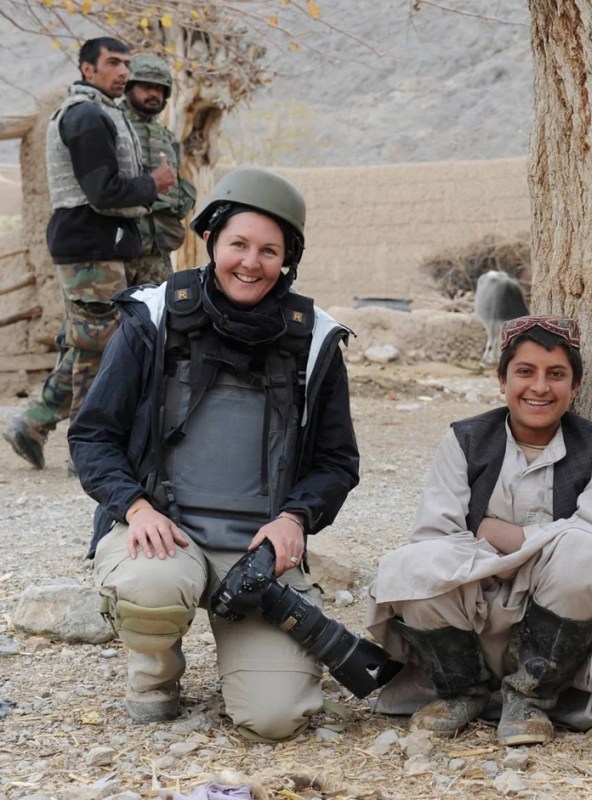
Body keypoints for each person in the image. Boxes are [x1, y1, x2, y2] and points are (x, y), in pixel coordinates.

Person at [68, 168, 360, 741]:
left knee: (276, 720)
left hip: (258, 557)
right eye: (239, 245)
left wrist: (295, 518)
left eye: (269, 251)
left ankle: (254, 669)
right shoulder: (154, 317)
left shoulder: (314, 339)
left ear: (288, 260)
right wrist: (135, 508)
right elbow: (92, 435)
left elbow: (336, 461)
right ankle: (155, 676)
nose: (251, 263)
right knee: (150, 593)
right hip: (163, 534)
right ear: (211, 241)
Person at [367, 315, 592, 746]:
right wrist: (540, 542)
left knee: (585, 557)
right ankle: (460, 691)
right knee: (409, 566)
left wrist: (500, 534)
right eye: (525, 372)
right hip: (474, 597)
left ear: (576, 387)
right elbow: (435, 536)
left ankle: (530, 698)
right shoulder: (465, 440)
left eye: (556, 375)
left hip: (552, 612)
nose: (539, 388)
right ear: (501, 380)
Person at [3, 37, 175, 471]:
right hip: (91, 247)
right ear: (87, 69)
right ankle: (88, 451)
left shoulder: (102, 113)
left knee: (89, 344)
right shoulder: (86, 116)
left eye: (126, 64)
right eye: (113, 63)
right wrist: (153, 184)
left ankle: (35, 424)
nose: (122, 72)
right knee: (100, 349)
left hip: (100, 248)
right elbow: (103, 193)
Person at [124, 54, 197, 286]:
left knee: (157, 317)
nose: (154, 94)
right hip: (119, 248)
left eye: (160, 88)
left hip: (158, 250)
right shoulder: (112, 126)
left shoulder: (166, 137)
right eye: (146, 87)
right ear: (129, 87)